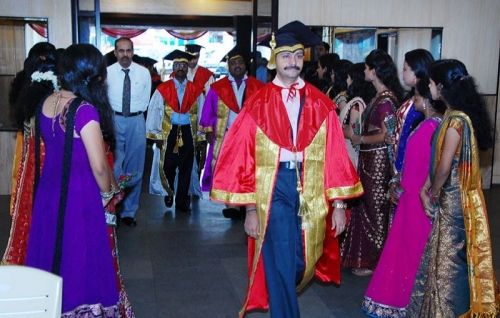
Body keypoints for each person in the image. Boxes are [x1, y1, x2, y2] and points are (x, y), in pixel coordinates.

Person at [210, 20, 363, 317]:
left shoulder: (321, 104)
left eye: (296, 55)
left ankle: (280, 282)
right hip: (274, 185)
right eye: (285, 56)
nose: (292, 62)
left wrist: (341, 204)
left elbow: (334, 153)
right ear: (274, 60)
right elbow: (242, 157)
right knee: (280, 257)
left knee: (303, 258)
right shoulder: (257, 104)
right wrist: (251, 208)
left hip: (311, 184)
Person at [23, 43, 132, 316]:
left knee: (51, 252)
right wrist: (109, 192)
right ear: (90, 75)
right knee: (80, 257)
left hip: (49, 191)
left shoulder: (46, 102)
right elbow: (98, 166)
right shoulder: (84, 110)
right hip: (79, 195)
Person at [407, 59, 499, 317]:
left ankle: (448, 310)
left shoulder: (456, 122)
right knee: (441, 257)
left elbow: (444, 167)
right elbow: (437, 160)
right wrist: (426, 187)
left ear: (441, 87)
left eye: (432, 83)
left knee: (449, 263)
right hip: (451, 199)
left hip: (452, 201)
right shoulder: (453, 116)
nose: (430, 88)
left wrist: (431, 191)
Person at [362, 78, 445, 317]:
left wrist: (399, 185)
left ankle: (401, 303)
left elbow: (418, 170)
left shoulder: (428, 127)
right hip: (420, 198)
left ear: (426, 99)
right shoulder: (438, 125)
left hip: (414, 202)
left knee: (407, 255)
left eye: (417, 97)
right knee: (415, 254)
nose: (414, 100)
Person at [341, 49, 404, 276]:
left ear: (374, 71)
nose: (364, 71)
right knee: (366, 208)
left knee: (375, 210)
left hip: (377, 162)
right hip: (370, 159)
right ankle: (365, 258)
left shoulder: (386, 100)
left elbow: (387, 135)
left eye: (367, 68)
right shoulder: (379, 97)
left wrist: (360, 139)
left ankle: (374, 261)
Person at [3, 42, 57, 265]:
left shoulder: (30, 82)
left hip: (30, 146)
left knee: (26, 186)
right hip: (37, 148)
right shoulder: (38, 85)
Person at [199, 46, 264, 219]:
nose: (237, 66)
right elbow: (208, 111)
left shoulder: (257, 87)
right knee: (229, 169)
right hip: (226, 135)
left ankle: (248, 202)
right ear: (228, 66)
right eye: (233, 63)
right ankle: (232, 204)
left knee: (249, 168)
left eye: (240, 62)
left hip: (250, 136)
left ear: (246, 65)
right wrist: (208, 130)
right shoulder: (217, 88)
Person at [146, 49, 203, 212]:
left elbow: (201, 112)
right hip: (168, 132)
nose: (181, 68)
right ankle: (168, 191)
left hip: (188, 132)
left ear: (187, 68)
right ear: (173, 67)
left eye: (184, 65)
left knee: (186, 166)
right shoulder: (163, 89)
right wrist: (155, 134)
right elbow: (154, 111)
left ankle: (183, 200)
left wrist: (201, 136)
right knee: (168, 165)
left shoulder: (195, 90)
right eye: (177, 65)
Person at [106, 37, 151, 226]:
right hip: (114, 120)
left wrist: (137, 117)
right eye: (121, 51)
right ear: (115, 52)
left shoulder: (143, 73)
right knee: (114, 166)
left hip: (136, 121)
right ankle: (113, 207)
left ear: (133, 52)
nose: (125, 54)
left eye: (128, 50)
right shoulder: (106, 73)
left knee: (135, 167)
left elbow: (146, 98)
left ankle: (129, 212)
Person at [185, 43, 216, 198]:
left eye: (195, 57)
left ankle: (196, 181)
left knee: (200, 152)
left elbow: (211, 101)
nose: (192, 61)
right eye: (189, 57)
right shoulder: (179, 71)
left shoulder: (207, 75)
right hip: (182, 119)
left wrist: (209, 124)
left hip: (201, 120)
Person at [340, 63, 376, 167]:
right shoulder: (370, 99)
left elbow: (352, 133)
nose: (347, 81)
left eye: (348, 77)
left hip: (350, 154)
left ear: (354, 80)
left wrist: (338, 128)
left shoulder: (356, 104)